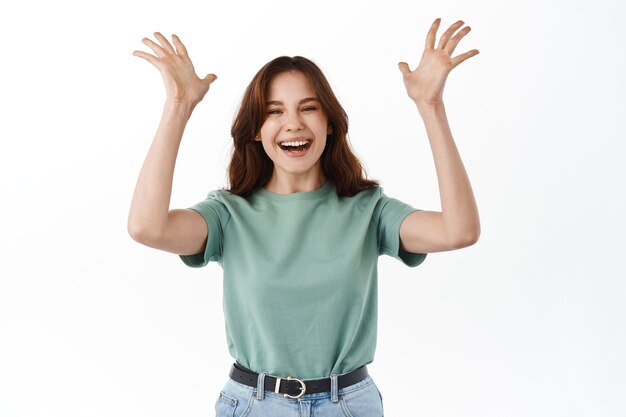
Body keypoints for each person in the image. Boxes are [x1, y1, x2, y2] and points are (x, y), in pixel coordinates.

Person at [128, 17, 480, 417]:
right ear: (257, 131)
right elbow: (146, 227)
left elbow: (459, 231)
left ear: (329, 123)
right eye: (274, 111)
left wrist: (430, 107)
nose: (293, 122)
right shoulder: (228, 214)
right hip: (254, 404)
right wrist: (178, 106)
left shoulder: (368, 210)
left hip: (349, 404)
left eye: (308, 108)